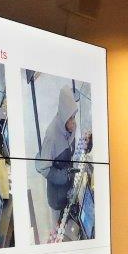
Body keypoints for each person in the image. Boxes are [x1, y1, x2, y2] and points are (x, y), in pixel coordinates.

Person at [35, 85, 92, 222]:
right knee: (58, 222)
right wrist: (63, 176)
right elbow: (42, 167)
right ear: (64, 117)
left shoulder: (71, 127)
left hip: (69, 187)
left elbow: (71, 152)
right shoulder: (52, 136)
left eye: (74, 117)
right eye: (70, 119)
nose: (74, 123)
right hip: (57, 193)